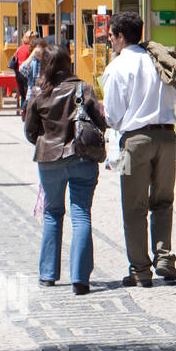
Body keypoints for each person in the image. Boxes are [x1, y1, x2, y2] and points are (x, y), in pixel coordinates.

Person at [101, 11, 176, 287]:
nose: (109, 40)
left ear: (121, 36)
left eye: (110, 35)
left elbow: (112, 115)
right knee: (163, 201)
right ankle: (164, 257)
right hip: (167, 138)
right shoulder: (160, 60)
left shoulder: (117, 67)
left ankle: (140, 269)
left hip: (134, 141)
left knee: (133, 207)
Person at [24, 43, 106, 295]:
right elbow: (101, 124)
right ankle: (80, 280)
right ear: (68, 62)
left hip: (49, 161)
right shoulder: (84, 88)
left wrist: (46, 137)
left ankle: (48, 275)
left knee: (52, 213)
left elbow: (30, 132)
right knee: (81, 215)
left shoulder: (39, 93)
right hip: (81, 158)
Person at [12, 30, 37, 114]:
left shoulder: (20, 48)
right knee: (28, 93)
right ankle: (27, 111)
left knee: (23, 94)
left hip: (18, 73)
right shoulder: (32, 49)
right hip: (26, 73)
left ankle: (22, 111)